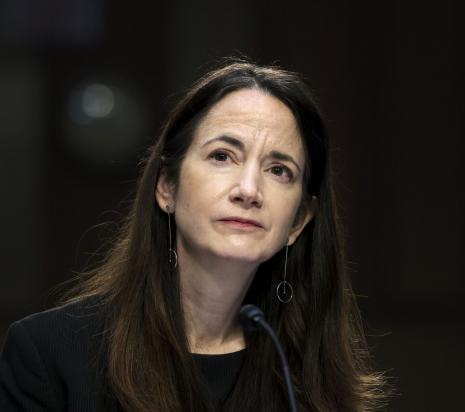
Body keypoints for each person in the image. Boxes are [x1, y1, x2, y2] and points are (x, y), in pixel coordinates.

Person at [0, 60, 389, 411]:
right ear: (167, 186)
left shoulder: (307, 380)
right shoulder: (50, 353)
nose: (249, 190)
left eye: (278, 170)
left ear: (299, 220)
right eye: (222, 156)